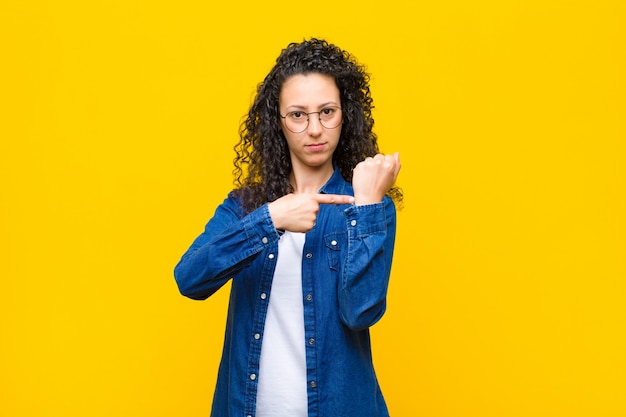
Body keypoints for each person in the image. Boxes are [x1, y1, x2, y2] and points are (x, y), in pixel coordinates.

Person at [174, 38, 402, 417]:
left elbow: (361, 312)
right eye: (298, 115)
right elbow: (189, 278)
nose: (315, 129)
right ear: (278, 122)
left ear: (346, 115)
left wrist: (367, 206)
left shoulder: (369, 207)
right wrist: (271, 219)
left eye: (327, 112)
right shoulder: (245, 208)